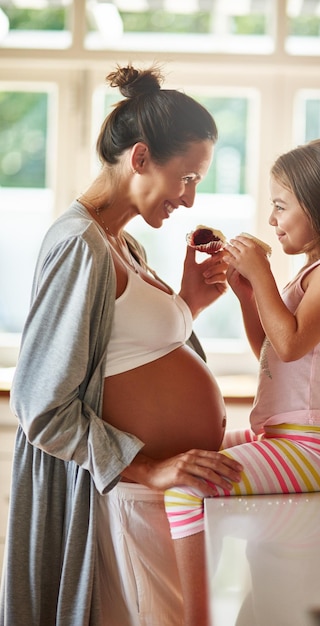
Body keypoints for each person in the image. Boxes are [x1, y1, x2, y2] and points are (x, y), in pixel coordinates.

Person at [0, 64, 242, 626]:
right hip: (121, 495)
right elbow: (41, 407)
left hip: (159, 502)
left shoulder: (122, 243)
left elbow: (129, 355)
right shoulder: (79, 245)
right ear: (139, 158)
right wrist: (149, 467)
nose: (189, 197)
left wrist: (188, 304)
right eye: (186, 176)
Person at [164, 138, 320, 624]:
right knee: (187, 450)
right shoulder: (309, 275)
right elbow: (272, 353)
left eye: (280, 206)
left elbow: (289, 345)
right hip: (285, 438)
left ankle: (192, 616)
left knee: (185, 487)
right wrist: (248, 295)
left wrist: (261, 272)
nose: (271, 220)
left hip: (314, 448)